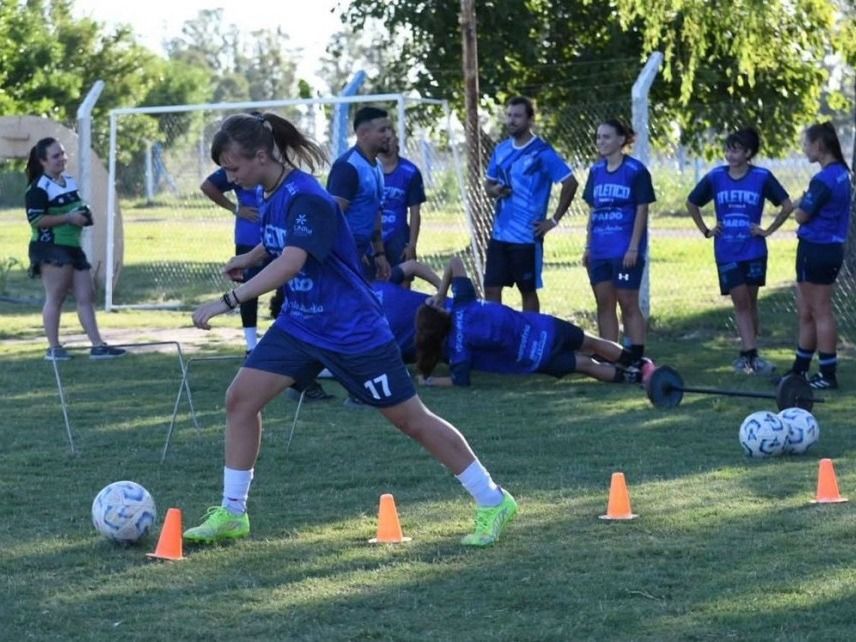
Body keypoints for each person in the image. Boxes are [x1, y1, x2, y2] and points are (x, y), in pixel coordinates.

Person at [184, 112, 517, 547]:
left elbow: (292, 261)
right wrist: (249, 258)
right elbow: (279, 241)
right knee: (240, 400)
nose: (229, 177)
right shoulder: (273, 191)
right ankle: (232, 513)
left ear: (262, 155)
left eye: (234, 168)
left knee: (411, 420)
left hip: (351, 330)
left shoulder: (307, 196)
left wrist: (229, 300)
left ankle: (493, 500)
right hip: (301, 324)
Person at [415, 257, 651, 387]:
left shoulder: (458, 348)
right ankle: (640, 364)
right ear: (441, 312)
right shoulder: (462, 303)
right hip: (546, 329)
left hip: (538, 358)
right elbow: (455, 262)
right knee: (593, 343)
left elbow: (460, 380)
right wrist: (440, 293)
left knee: (587, 366)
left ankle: (634, 378)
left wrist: (431, 381)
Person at [687, 128, 794, 375]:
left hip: (754, 250)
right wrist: (706, 230)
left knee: (751, 303)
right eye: (727, 149)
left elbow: (786, 205)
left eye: (735, 150)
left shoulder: (762, 177)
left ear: (748, 153)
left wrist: (767, 230)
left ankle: (750, 355)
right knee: (741, 302)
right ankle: (750, 356)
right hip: (727, 251)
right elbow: (692, 202)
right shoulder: (716, 177)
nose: (729, 154)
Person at [24, 138, 126, 361]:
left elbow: (72, 207)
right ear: (42, 161)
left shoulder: (68, 180)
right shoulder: (38, 187)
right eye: (55, 156)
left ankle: (98, 346)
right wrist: (69, 217)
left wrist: (82, 212)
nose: (62, 158)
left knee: (86, 295)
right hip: (51, 248)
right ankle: (54, 348)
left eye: (62, 153)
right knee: (56, 297)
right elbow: (36, 219)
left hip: (72, 246)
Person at [483, 96, 578, 312]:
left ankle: (531, 337)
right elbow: (488, 184)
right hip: (499, 235)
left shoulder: (542, 152)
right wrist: (495, 191)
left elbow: (570, 183)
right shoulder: (501, 150)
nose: (511, 120)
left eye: (517, 116)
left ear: (530, 120)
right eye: (508, 115)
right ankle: (495, 335)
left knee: (527, 290)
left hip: (527, 236)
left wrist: (553, 220)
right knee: (491, 289)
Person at [783, 122, 852, 390]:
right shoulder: (841, 174)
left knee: (820, 310)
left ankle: (827, 374)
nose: (804, 149)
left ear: (820, 145)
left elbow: (802, 214)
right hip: (830, 249)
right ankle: (799, 370)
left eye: (806, 144)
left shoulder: (823, 179)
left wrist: (798, 206)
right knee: (806, 310)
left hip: (816, 249)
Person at [582, 119, 656, 369]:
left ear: (621, 140)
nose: (601, 142)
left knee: (627, 301)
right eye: (598, 137)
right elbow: (593, 212)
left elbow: (642, 209)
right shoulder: (595, 171)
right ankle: (609, 355)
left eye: (607, 137)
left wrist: (634, 246)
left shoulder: (636, 171)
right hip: (600, 250)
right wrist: (588, 247)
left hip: (624, 249)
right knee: (604, 302)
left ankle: (636, 357)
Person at [200, 167, 265, 353]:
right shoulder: (243, 162)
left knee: (287, 290)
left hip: (278, 235)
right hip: (250, 236)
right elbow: (208, 185)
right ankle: (251, 345)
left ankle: (283, 342)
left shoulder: (277, 162)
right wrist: (235, 208)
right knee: (248, 290)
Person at [326, 106, 392, 280]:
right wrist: (347, 252)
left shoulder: (377, 166)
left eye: (389, 129)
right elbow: (331, 216)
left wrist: (379, 253)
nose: (388, 135)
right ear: (363, 134)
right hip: (341, 259)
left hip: (362, 254)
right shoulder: (348, 166)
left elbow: (376, 211)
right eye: (382, 130)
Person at [377, 132, 427, 280]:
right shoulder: (368, 170)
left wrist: (412, 243)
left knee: (403, 281)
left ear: (397, 143)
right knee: (373, 285)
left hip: (398, 237)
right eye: (382, 138)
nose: (385, 141)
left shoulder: (410, 171)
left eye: (389, 138)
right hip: (373, 238)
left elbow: (415, 212)